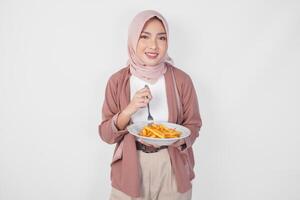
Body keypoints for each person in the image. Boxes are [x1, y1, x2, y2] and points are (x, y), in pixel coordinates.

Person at [98, 10, 202, 200]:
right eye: (144, 37)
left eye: (161, 38)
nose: (153, 45)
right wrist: (129, 108)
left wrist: (177, 139)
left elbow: (193, 125)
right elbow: (106, 134)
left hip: (172, 166)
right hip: (130, 165)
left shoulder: (181, 80)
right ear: (133, 38)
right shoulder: (117, 81)